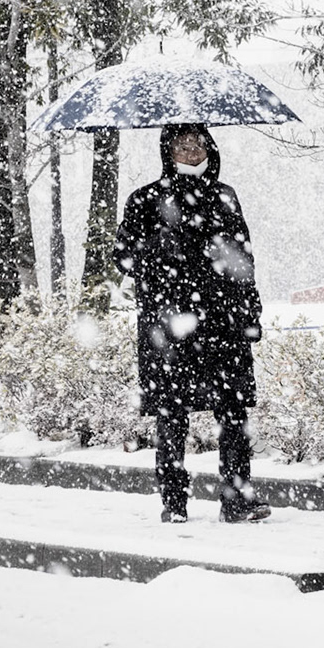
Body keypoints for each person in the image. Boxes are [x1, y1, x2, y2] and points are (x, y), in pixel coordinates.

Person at [113, 123, 271, 524]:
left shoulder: (224, 197)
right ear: (167, 150)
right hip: (170, 328)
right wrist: (156, 246)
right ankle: (174, 502)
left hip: (224, 324)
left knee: (233, 414)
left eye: (197, 142)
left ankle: (236, 500)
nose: (190, 149)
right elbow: (123, 258)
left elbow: (243, 259)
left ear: (209, 147)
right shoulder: (146, 200)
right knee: (171, 415)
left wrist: (250, 312)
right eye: (181, 144)